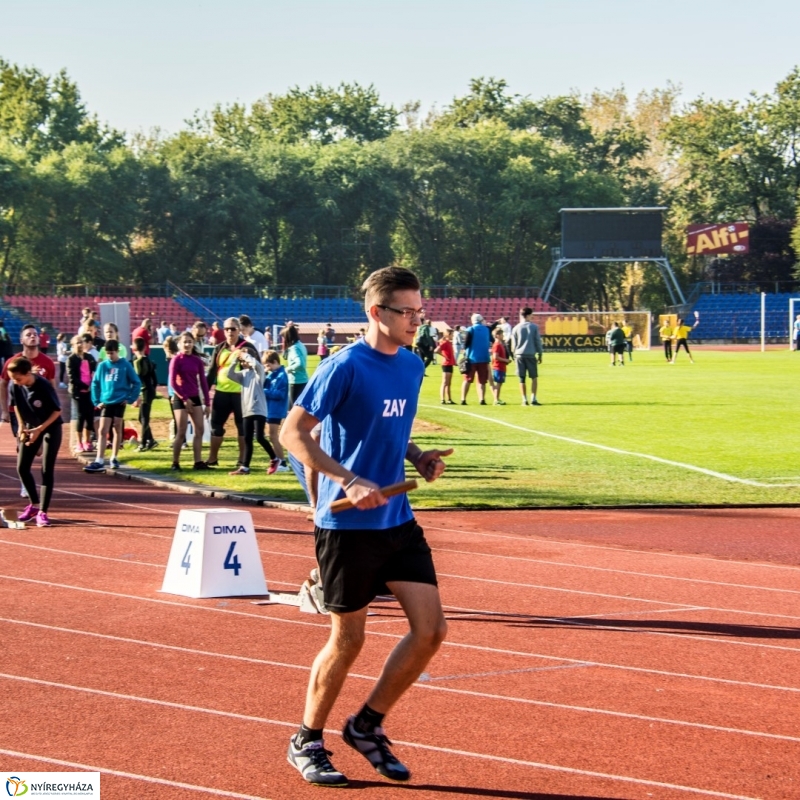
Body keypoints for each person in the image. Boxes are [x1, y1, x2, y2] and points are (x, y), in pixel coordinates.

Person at [280, 266, 452, 787]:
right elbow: (293, 434)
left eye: (421, 312)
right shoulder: (343, 367)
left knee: (431, 631)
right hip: (346, 524)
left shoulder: (412, 365)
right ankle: (307, 738)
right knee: (348, 639)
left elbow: (391, 430)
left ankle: (366, 725)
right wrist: (349, 480)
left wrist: (418, 455)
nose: (416, 322)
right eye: (407, 312)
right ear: (376, 312)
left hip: (396, 519)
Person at [7, 356, 63, 527]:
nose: (16, 382)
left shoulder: (43, 386)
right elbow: (16, 405)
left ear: (27, 373)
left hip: (50, 427)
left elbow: (57, 412)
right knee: (22, 467)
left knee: (46, 469)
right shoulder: (15, 385)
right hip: (29, 426)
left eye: (18, 378)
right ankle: (34, 504)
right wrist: (21, 426)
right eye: (13, 379)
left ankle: (43, 512)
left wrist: (39, 429)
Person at [205, 317, 258, 467]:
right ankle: (212, 459)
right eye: (227, 329)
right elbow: (211, 372)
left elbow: (257, 370)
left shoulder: (247, 347)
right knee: (216, 426)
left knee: (242, 427)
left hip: (241, 394)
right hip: (221, 393)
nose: (230, 332)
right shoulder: (219, 348)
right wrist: (205, 394)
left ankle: (242, 460)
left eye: (233, 329)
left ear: (239, 330)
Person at [84, 340, 141, 473]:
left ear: (117, 351)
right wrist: (96, 401)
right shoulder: (102, 366)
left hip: (120, 401)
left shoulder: (125, 365)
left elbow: (136, 382)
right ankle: (99, 459)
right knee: (103, 430)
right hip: (106, 401)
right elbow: (95, 383)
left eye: (112, 353)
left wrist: (130, 398)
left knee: (117, 428)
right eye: (108, 353)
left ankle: (114, 457)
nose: (110, 356)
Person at [226, 348, 276, 475]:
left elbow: (257, 364)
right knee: (247, 438)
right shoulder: (243, 374)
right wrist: (235, 360)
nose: (243, 363)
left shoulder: (259, 372)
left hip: (259, 409)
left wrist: (246, 355)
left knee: (259, 437)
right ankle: (245, 467)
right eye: (241, 361)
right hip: (247, 409)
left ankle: (274, 458)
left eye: (245, 360)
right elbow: (229, 374)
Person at [169, 332, 211, 471]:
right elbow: (173, 382)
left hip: (194, 397)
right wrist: (184, 399)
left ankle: (198, 462)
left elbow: (203, 382)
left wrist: (208, 403)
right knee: (181, 431)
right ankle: (175, 462)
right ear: (179, 344)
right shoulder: (176, 359)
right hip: (180, 397)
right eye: (184, 342)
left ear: (193, 343)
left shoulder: (196, 360)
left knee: (200, 429)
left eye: (189, 342)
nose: (187, 344)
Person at [67, 335, 97, 453]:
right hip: (78, 392)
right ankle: (79, 442)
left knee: (90, 417)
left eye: (81, 342)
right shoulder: (71, 359)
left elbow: (95, 370)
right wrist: (85, 386)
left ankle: (87, 441)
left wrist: (93, 384)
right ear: (73, 345)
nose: (80, 345)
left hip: (90, 392)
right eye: (77, 343)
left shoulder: (89, 357)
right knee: (81, 416)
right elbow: (72, 377)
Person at [263, 350, 289, 474]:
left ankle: (282, 462)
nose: (266, 368)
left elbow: (280, 394)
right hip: (270, 408)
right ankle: (278, 460)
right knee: (271, 436)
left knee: (273, 436)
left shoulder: (281, 376)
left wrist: (265, 391)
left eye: (267, 365)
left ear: (274, 362)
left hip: (276, 409)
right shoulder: (272, 374)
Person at [510, 307, 543, 405]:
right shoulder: (534, 327)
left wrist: (514, 355)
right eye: (531, 314)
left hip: (519, 355)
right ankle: (533, 399)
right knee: (534, 377)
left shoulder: (516, 328)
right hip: (530, 355)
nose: (532, 316)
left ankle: (524, 400)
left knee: (521, 378)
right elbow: (537, 341)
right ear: (528, 315)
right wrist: (540, 354)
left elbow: (513, 344)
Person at [132, 336, 159, 452]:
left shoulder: (140, 361)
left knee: (144, 418)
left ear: (134, 347)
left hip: (145, 391)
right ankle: (151, 440)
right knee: (142, 417)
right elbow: (155, 379)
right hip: (148, 390)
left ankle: (143, 443)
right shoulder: (146, 360)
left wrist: (139, 394)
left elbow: (138, 376)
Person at [459, 313, 491, 405]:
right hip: (484, 358)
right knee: (482, 381)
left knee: (467, 379)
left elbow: (465, 343)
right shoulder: (486, 330)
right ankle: (482, 399)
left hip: (472, 358)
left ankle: (463, 399)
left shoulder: (470, 329)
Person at [283, 325, 308, 404]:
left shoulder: (294, 348)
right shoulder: (300, 345)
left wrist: (287, 369)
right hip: (303, 380)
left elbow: (300, 364)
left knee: (293, 410)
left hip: (295, 382)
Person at [434, 329, 456, 404]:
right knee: (444, 382)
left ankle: (449, 399)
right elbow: (436, 350)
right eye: (452, 334)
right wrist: (444, 356)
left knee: (449, 383)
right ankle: (442, 399)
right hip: (446, 364)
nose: (453, 336)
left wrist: (454, 362)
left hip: (450, 364)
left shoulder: (449, 343)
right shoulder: (445, 343)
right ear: (448, 334)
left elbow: (450, 353)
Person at [490, 327, 510, 405]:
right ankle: (496, 400)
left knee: (500, 383)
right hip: (498, 367)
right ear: (497, 335)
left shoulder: (500, 344)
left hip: (501, 367)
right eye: (502, 334)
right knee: (498, 383)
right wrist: (506, 360)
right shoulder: (497, 345)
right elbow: (495, 357)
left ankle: (497, 398)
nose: (503, 335)